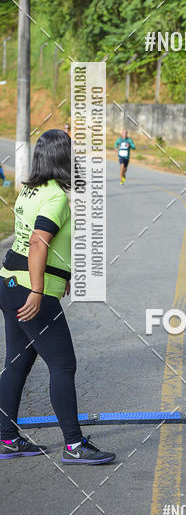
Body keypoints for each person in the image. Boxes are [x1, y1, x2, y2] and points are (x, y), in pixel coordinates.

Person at [0, 130, 115, 464]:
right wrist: (39, 289)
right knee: (63, 364)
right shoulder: (56, 197)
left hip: (8, 282)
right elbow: (38, 242)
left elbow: (27, 242)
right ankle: (74, 445)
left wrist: (60, 274)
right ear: (64, 160)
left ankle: (6, 438)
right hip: (30, 291)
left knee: (17, 363)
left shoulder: (29, 190)